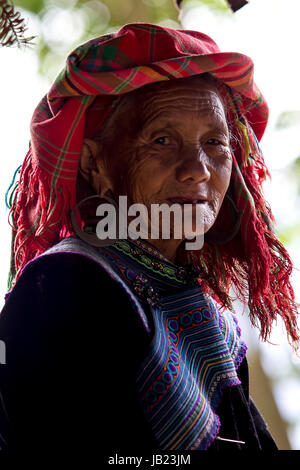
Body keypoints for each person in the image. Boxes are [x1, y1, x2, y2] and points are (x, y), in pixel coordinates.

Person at [0, 22, 298, 456]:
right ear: (95, 163)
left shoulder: (204, 311)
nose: (197, 168)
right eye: (162, 140)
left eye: (215, 142)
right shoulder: (63, 286)